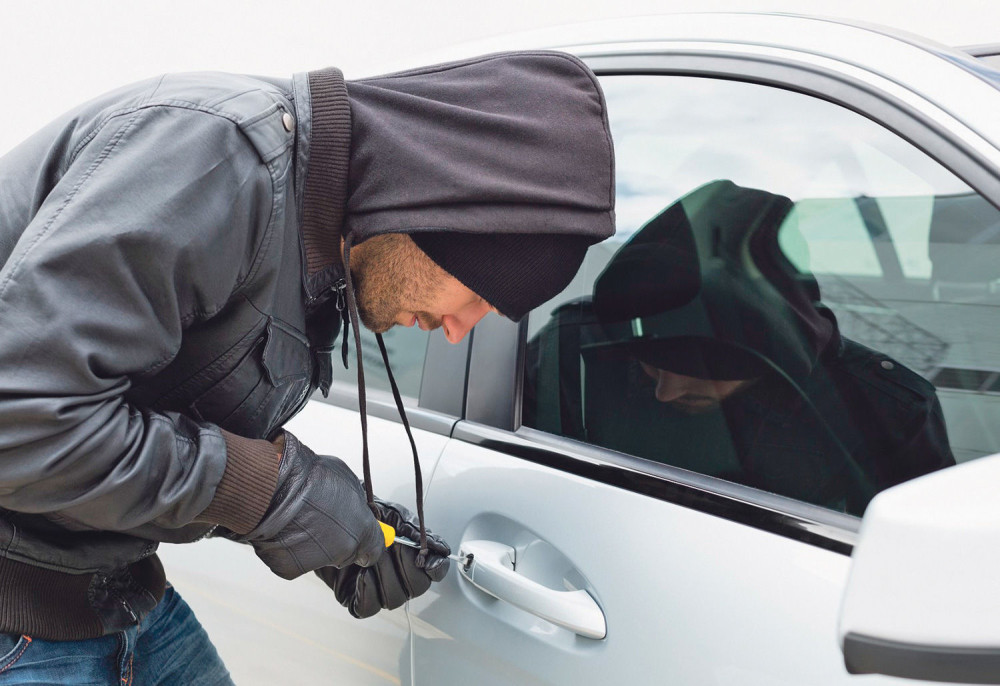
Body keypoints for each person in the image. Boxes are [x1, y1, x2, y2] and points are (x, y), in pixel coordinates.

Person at [0, 52, 615, 683]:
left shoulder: (320, 250)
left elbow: (152, 414)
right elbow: (21, 421)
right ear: (444, 215)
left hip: (109, 596)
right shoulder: (215, 160)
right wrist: (275, 494)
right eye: (483, 296)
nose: (460, 331)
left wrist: (337, 535)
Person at [524, 180, 952, 515]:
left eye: (698, 370)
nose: (665, 392)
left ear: (774, 346)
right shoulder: (575, 348)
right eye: (649, 365)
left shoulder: (888, 412)